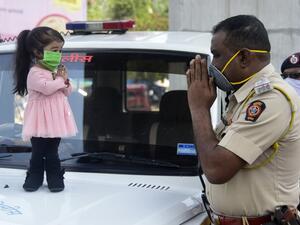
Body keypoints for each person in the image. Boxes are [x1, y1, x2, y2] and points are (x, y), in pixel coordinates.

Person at [186, 15, 300, 224]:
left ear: (244, 58)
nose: (213, 66)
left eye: (217, 55)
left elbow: (216, 169)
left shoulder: (271, 100)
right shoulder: (244, 97)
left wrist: (199, 107)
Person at [13, 27, 78, 192]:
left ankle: (54, 177)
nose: (58, 54)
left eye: (60, 50)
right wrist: (61, 81)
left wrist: (65, 81)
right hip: (39, 121)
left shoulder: (55, 71)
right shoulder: (34, 73)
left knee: (52, 152)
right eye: (54, 50)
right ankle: (34, 177)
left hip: (55, 121)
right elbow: (46, 88)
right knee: (37, 151)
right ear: (37, 52)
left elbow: (68, 91)